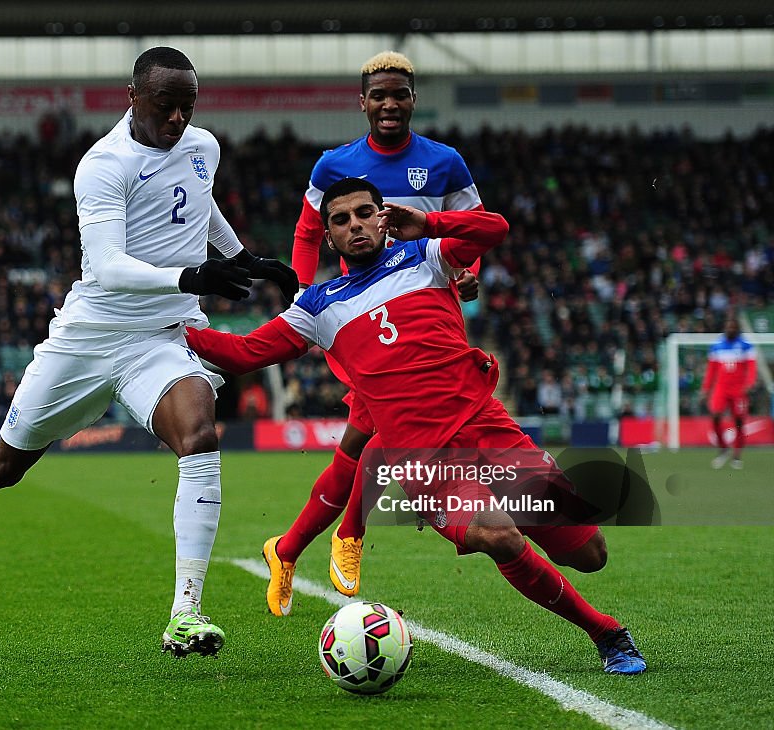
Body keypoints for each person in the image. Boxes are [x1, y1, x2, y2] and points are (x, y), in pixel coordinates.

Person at [185, 177, 646, 675]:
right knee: (500, 536)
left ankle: (320, 540)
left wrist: (429, 222)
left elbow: (495, 229)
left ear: (382, 216)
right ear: (328, 237)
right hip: (427, 463)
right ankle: (606, 632)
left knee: (590, 554)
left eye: (364, 213)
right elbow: (243, 352)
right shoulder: (317, 307)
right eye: (340, 220)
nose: (355, 225)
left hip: (490, 432)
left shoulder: (424, 257)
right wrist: (171, 323)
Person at [0, 47, 298, 659]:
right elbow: (106, 268)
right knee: (9, 466)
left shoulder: (203, 146)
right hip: (89, 337)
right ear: (131, 96)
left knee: (200, 435)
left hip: (160, 337)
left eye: (188, 106)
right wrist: (193, 275)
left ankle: (187, 613)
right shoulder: (102, 165)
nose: (179, 119)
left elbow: (199, 200)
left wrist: (237, 256)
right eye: (166, 106)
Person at [268, 51, 483, 616]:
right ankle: (347, 533)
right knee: (378, 434)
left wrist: (468, 273)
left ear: (413, 99)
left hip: (428, 319)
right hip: (364, 323)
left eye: (399, 94)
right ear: (362, 102)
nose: (389, 104)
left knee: (360, 443)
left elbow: (471, 230)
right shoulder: (332, 166)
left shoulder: (446, 164)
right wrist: (300, 293)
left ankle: (290, 548)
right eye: (378, 95)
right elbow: (307, 232)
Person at [702, 317, 757, 469]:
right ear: (725, 327)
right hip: (721, 388)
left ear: (737, 328)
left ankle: (737, 456)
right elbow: (711, 370)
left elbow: (752, 367)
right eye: (728, 326)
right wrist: (706, 388)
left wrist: (750, 383)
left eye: (733, 327)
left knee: (739, 421)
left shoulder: (746, 346)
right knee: (715, 416)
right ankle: (723, 448)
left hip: (739, 390)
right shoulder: (716, 346)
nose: (730, 329)